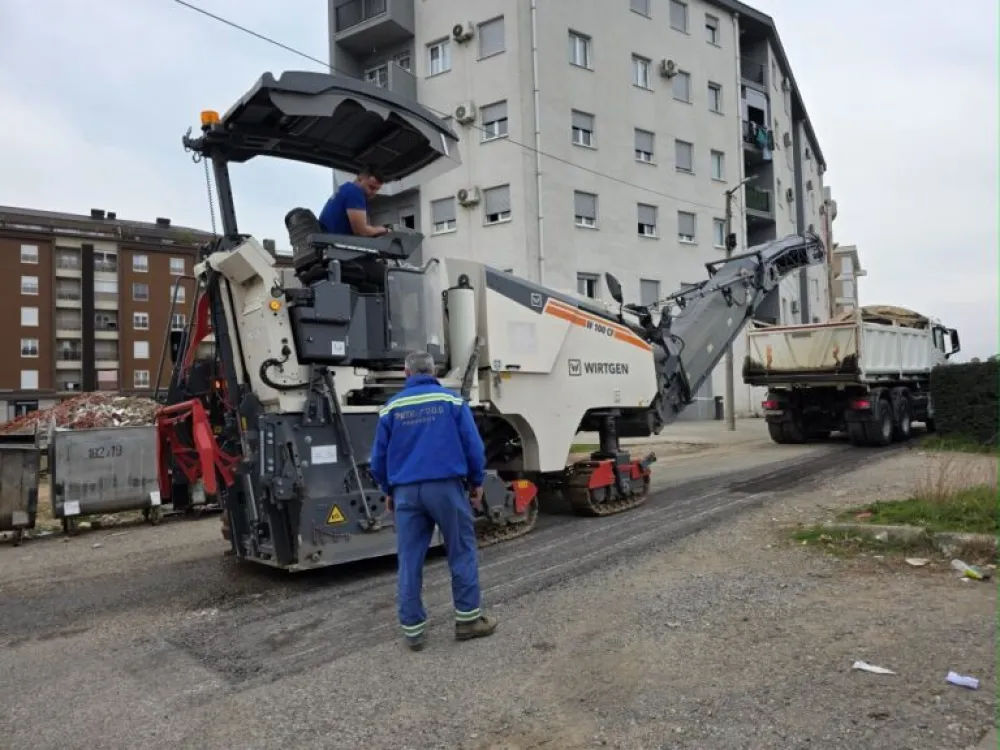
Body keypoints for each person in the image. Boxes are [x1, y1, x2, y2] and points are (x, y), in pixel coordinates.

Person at [368, 350, 497, 651]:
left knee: (409, 559)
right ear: (434, 372)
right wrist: (476, 482)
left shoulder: (390, 408)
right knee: (460, 550)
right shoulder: (452, 402)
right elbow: (473, 447)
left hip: (405, 492)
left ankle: (413, 631)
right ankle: (468, 620)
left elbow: (378, 460)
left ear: (406, 373)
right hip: (446, 488)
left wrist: (388, 489)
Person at [317, 166, 391, 237]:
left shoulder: (345, 188)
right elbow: (361, 232)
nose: (374, 192)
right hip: (333, 242)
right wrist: (384, 230)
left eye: (377, 190)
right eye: (371, 187)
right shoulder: (355, 192)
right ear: (360, 178)